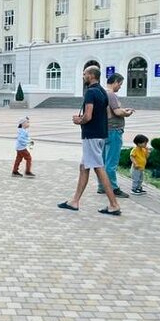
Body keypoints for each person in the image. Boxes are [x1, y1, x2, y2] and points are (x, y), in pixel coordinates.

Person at [58, 66, 121, 216]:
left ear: (91, 75)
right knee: (84, 166)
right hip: (100, 134)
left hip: (91, 135)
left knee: (99, 167)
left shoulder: (91, 92)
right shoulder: (102, 92)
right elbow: (105, 115)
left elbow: (88, 116)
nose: (83, 76)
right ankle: (74, 201)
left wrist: (78, 121)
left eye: (85, 74)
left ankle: (114, 204)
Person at [98, 73, 135, 198]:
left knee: (102, 161)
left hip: (104, 130)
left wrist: (123, 109)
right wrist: (127, 113)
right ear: (115, 82)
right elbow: (117, 111)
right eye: (120, 84)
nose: (120, 87)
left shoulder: (102, 93)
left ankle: (102, 186)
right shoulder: (111, 94)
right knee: (111, 163)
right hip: (114, 131)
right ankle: (113, 188)